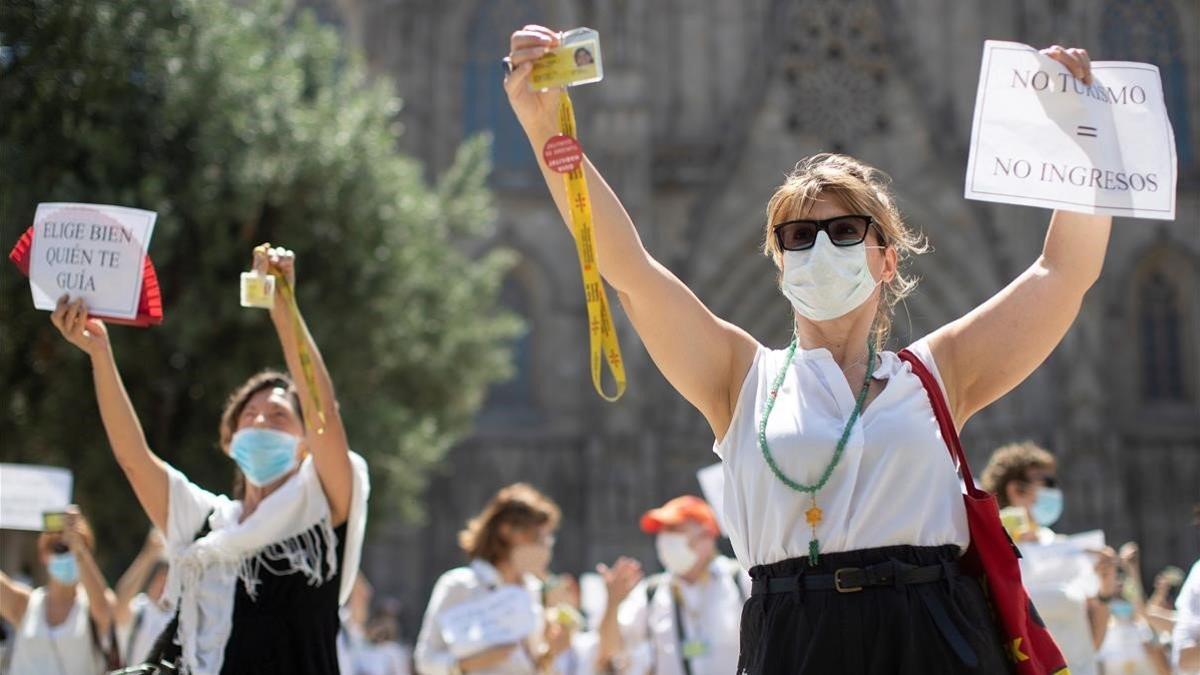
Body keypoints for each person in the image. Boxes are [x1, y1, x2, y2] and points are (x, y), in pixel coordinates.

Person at [506, 25, 1112, 673]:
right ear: (779, 262)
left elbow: (1061, 273)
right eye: (799, 236)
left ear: (887, 257)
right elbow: (628, 267)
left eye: (845, 230)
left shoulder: (940, 373)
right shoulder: (740, 378)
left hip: (933, 635)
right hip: (798, 638)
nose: (821, 248)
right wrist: (545, 130)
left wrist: (1086, 135)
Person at [49, 244, 370, 675]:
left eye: (278, 415)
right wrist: (100, 354)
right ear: (229, 438)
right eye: (248, 414)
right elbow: (132, 458)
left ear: (305, 443)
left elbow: (324, 413)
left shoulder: (322, 507)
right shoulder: (206, 524)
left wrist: (283, 308)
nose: (260, 421)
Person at [981, 441, 1117, 674]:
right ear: (1016, 490)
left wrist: (1105, 590)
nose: (1055, 493)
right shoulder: (992, 556)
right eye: (1048, 483)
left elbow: (1092, 642)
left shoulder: (1065, 549)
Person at [415, 483, 572, 674]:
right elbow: (425, 661)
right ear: (507, 531)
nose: (545, 546)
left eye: (547, 538)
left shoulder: (533, 590)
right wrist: (469, 663)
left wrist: (551, 651)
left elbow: (533, 665)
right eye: (538, 537)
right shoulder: (460, 585)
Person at [596, 496, 747, 674]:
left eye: (674, 529)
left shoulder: (741, 581)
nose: (664, 538)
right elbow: (609, 651)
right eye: (662, 530)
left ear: (706, 535)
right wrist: (612, 603)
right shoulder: (651, 593)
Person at [0, 506, 117, 674]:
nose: (66, 554)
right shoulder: (25, 604)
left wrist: (78, 548)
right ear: (42, 555)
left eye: (71, 548)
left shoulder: (93, 606)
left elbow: (105, 610)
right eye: (57, 547)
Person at [113, 528, 172, 667]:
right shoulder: (140, 609)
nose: (164, 585)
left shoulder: (182, 615)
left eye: (169, 579)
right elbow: (119, 605)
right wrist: (148, 554)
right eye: (160, 578)